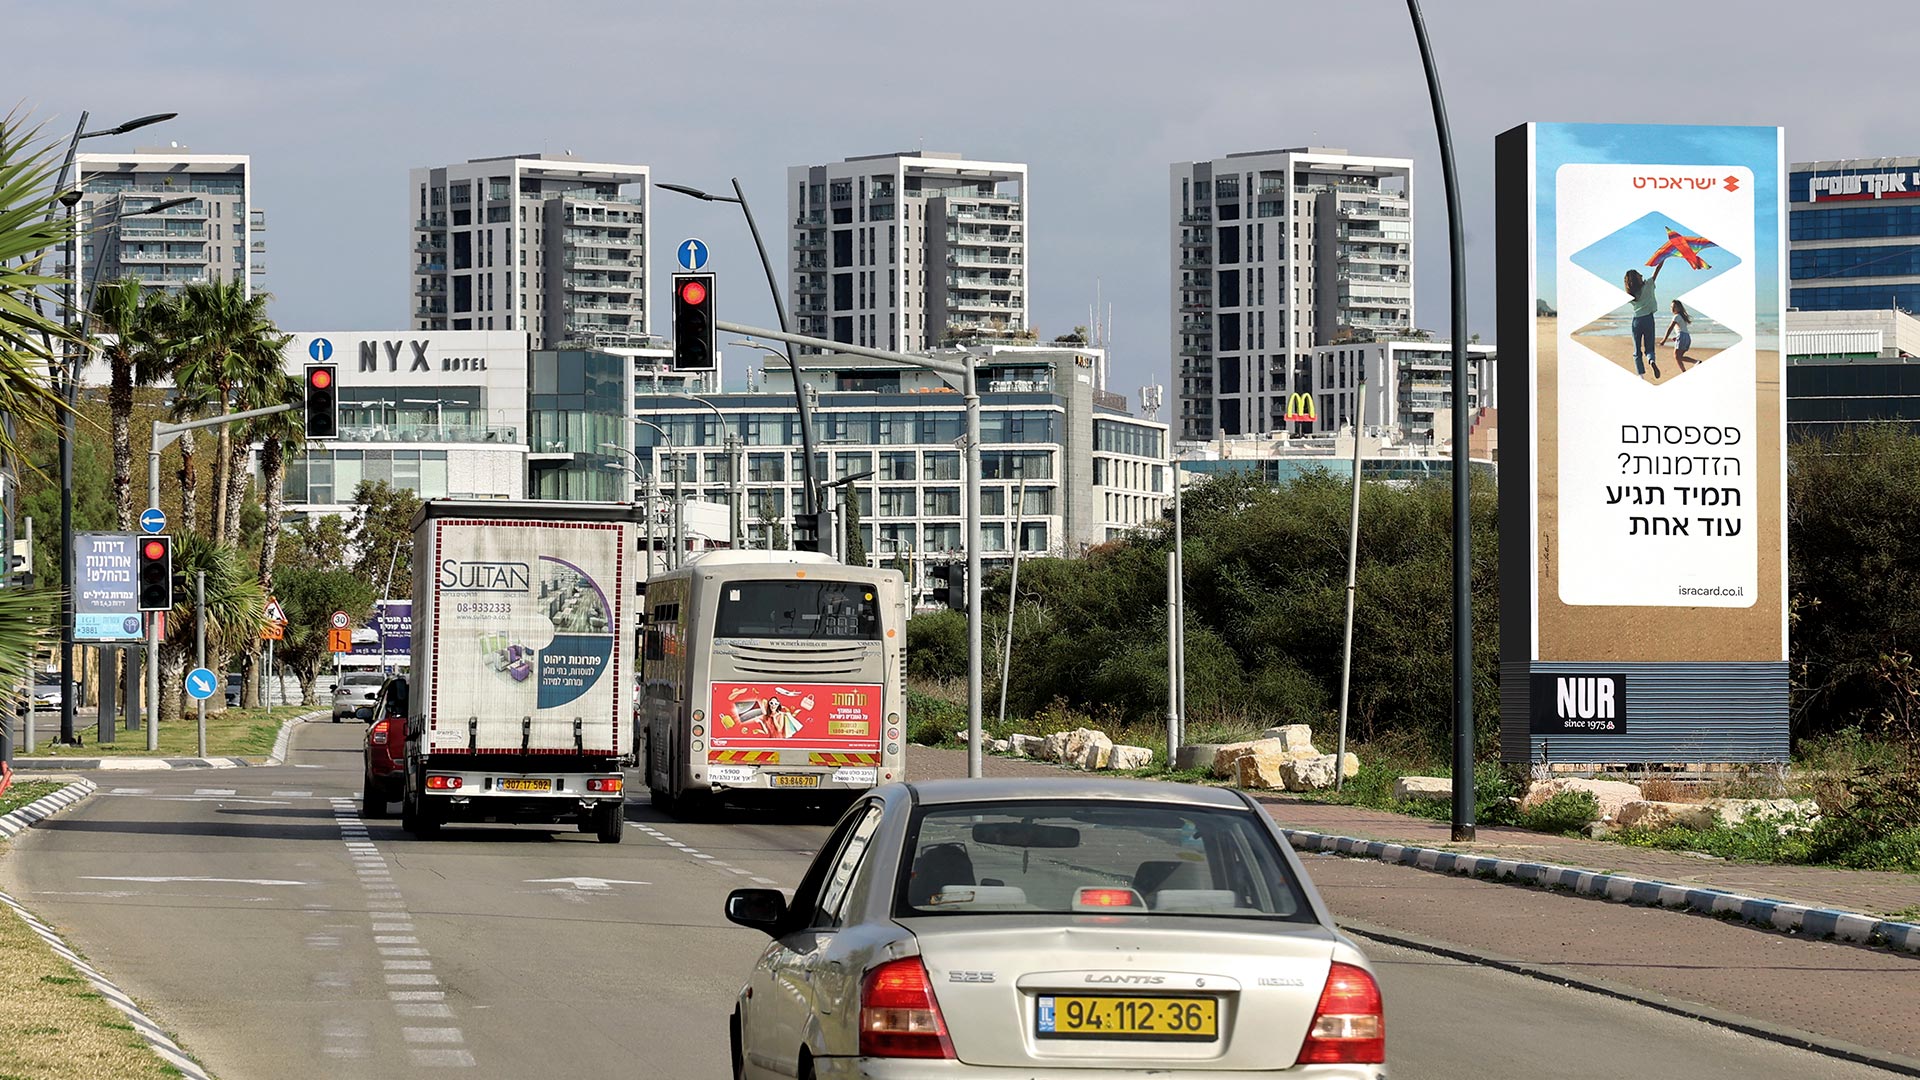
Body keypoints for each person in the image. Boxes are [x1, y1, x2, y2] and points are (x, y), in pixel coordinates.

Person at [1625, 260, 1666, 379]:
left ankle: (1641, 376)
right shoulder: (1648, 284)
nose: (1642, 275)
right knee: (1649, 347)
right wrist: (1663, 258)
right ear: (1637, 278)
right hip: (1648, 319)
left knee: (1637, 349)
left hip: (1637, 321)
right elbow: (1657, 270)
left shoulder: (1631, 294)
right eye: (1639, 274)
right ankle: (1651, 361)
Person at [1660, 299, 1697, 372]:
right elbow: (1682, 329)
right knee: (1679, 357)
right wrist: (1677, 337)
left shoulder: (1676, 316)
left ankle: (1687, 368)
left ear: (1679, 308)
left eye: (1674, 307)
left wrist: (1664, 340)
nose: (1672, 309)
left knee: (1677, 356)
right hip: (1686, 337)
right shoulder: (1681, 316)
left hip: (1682, 336)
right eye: (1671, 307)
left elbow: (1670, 328)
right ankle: (1696, 362)